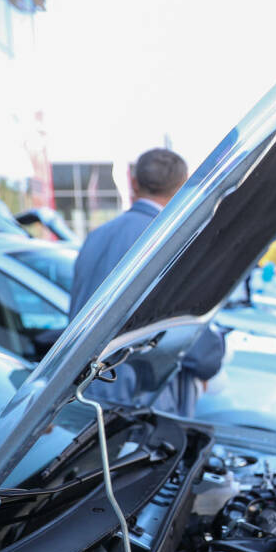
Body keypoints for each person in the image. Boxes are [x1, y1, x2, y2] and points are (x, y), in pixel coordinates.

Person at [69, 148, 223, 416]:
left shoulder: (96, 237)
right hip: (143, 406)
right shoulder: (176, 241)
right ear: (184, 184)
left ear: (133, 182)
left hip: (86, 396)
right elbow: (196, 346)